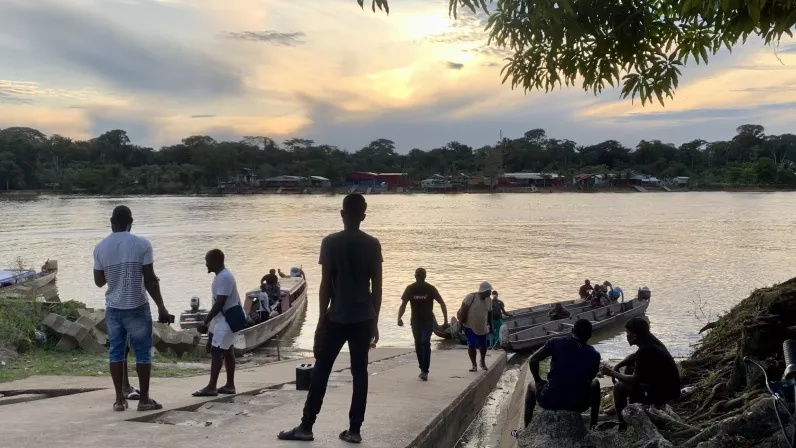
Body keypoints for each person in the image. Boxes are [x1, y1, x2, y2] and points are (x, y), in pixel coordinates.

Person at [278, 194, 382, 444]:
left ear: (342, 214)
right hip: (363, 318)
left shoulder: (330, 242)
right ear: (363, 216)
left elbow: (326, 285)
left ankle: (306, 426)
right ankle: (354, 430)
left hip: (336, 316)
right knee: (360, 374)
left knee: (321, 371)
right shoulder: (372, 244)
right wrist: (374, 320)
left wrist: (320, 320)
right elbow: (377, 287)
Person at [93, 205, 170, 412]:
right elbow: (151, 281)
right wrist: (161, 307)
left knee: (116, 353)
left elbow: (99, 282)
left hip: (114, 308)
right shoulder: (142, 244)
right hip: (137, 306)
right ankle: (144, 400)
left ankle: (119, 400)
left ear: (111, 223)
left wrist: (115, 274)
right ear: (131, 223)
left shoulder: (100, 247)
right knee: (143, 353)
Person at [601, 318, 681, 431]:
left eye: (627, 333)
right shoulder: (650, 341)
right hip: (668, 388)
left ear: (634, 336)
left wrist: (611, 373)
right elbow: (634, 356)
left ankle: (622, 426)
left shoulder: (646, 351)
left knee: (619, 387)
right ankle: (633, 407)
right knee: (629, 367)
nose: (626, 336)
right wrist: (618, 365)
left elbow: (635, 379)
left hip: (664, 395)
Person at [524, 319, 602, 428]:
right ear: (589, 335)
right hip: (579, 404)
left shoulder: (555, 342)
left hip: (550, 400)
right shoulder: (594, 354)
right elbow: (591, 377)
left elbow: (533, 360)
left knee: (530, 386)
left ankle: (526, 427)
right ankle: (593, 425)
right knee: (595, 384)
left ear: (572, 330)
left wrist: (537, 380)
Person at [193, 249, 241, 397]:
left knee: (217, 351)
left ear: (215, 261)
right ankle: (229, 385)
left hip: (227, 321)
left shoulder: (224, 278)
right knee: (228, 351)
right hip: (223, 321)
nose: (206, 264)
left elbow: (220, 303)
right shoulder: (221, 276)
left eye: (207, 261)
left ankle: (212, 386)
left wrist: (206, 322)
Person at [397, 268, 448, 381]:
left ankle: (425, 370)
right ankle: (422, 368)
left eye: (421, 275)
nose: (419, 277)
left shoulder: (430, 289)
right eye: (418, 275)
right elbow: (403, 304)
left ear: (425, 276)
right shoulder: (410, 289)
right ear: (415, 276)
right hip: (415, 321)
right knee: (418, 344)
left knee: (425, 342)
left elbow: (442, 303)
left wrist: (445, 321)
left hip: (427, 321)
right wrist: (399, 317)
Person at [458, 282, 493, 372]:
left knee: (483, 346)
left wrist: (491, 326)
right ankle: (474, 365)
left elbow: (489, 313)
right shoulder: (471, 297)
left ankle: (482, 361)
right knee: (471, 345)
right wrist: (460, 324)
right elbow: (463, 310)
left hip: (482, 327)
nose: (490, 293)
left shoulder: (489, 300)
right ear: (484, 291)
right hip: (470, 326)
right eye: (489, 291)